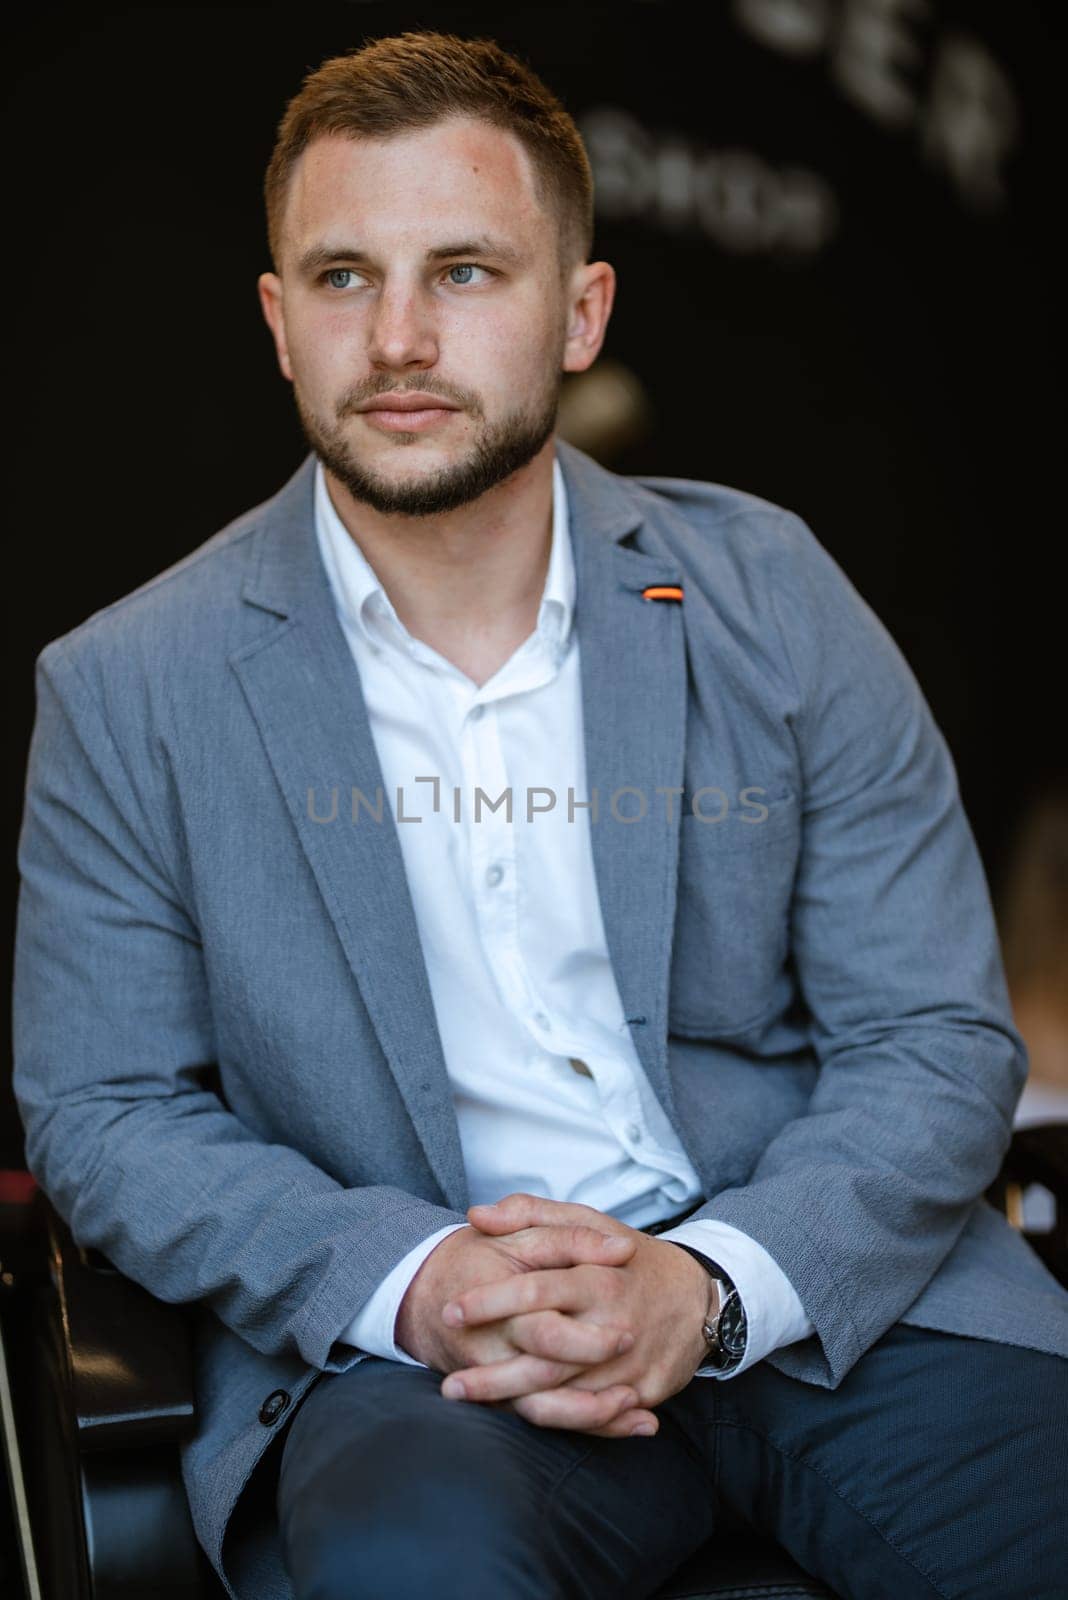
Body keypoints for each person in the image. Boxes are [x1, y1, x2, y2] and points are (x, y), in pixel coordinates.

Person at [12, 29, 1068, 1600]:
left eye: (465, 273)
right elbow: (104, 1111)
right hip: (424, 1369)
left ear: (581, 314)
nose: (400, 338)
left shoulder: (771, 595)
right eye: (345, 278)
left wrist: (703, 1288)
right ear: (277, 323)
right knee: (407, 1568)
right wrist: (419, 1279)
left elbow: (933, 1039)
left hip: (822, 1296)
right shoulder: (129, 686)